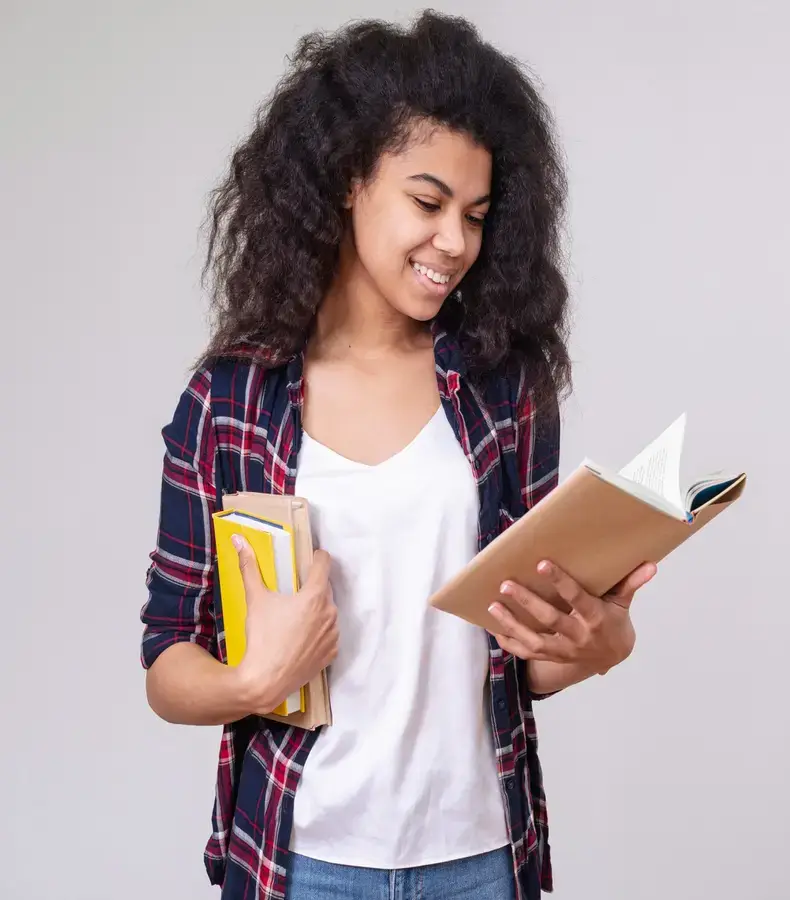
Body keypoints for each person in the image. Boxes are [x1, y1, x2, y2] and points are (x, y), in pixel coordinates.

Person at [138, 12, 654, 900]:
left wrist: (601, 642)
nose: (454, 241)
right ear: (347, 181)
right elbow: (166, 657)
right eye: (427, 202)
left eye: (476, 215)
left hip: (481, 855)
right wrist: (254, 679)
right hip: (299, 860)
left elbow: (522, 659)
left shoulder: (504, 390)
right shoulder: (230, 401)